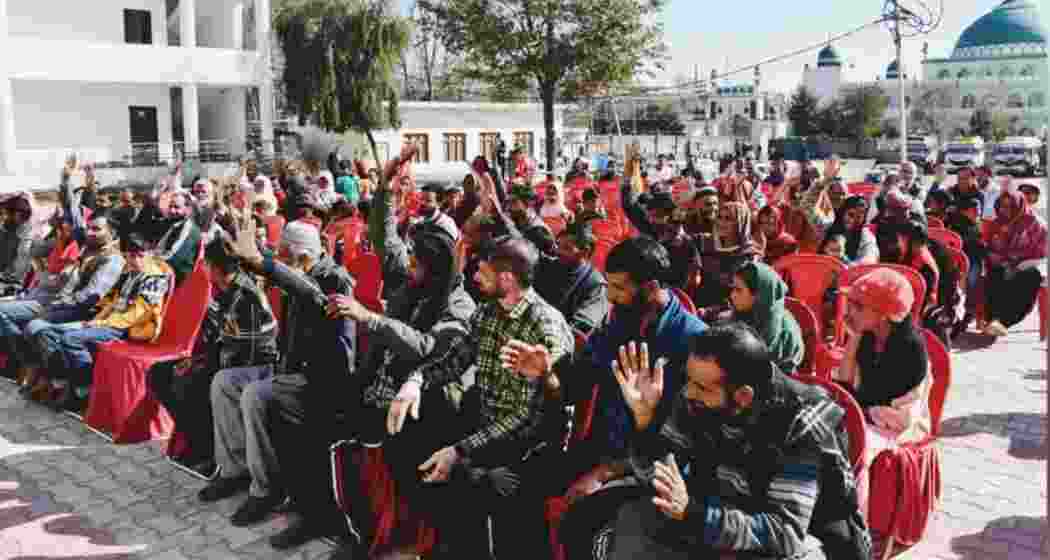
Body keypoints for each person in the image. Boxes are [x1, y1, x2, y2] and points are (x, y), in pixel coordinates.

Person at [577, 323, 870, 560]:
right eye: (689, 380)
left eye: (700, 387)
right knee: (618, 519)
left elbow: (784, 534)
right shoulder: (698, 397)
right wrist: (645, 420)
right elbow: (661, 479)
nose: (688, 392)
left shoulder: (801, 421)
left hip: (802, 537)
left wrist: (693, 514)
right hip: (718, 511)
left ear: (743, 396)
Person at [272, 223, 475, 552]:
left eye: (416, 263)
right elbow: (384, 236)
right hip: (376, 387)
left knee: (354, 441)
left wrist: (369, 318)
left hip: (420, 402)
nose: (409, 267)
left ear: (435, 268)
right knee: (309, 420)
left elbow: (426, 346)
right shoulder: (410, 290)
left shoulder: (459, 305)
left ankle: (364, 537)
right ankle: (318, 515)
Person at [375, 235, 571, 559]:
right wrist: (415, 381)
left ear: (506, 279)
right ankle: (426, 536)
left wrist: (459, 450)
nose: (474, 277)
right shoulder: (487, 312)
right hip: (483, 422)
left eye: (482, 271)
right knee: (409, 429)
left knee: (478, 479)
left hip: (527, 445)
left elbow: (525, 417)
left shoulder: (543, 326)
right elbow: (454, 361)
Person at [201, 219, 355, 528]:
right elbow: (277, 274)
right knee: (224, 383)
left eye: (284, 256)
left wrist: (267, 265)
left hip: (319, 378)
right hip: (286, 367)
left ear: (304, 258)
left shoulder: (336, 280)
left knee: (255, 395)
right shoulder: (299, 270)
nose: (279, 262)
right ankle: (234, 470)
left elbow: (311, 293)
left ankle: (265, 491)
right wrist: (245, 248)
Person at [147, 237, 279, 477]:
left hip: (251, 367)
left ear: (215, 267)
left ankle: (208, 450)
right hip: (224, 358)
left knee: (190, 384)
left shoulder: (247, 296)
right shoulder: (222, 291)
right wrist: (195, 360)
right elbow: (218, 338)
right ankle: (195, 439)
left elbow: (248, 352)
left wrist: (202, 365)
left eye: (206, 264)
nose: (204, 269)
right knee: (159, 373)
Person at [31, 233, 173, 412]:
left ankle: (82, 391)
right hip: (107, 320)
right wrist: (96, 318)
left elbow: (136, 314)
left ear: (146, 254)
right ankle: (60, 381)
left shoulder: (155, 278)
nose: (134, 260)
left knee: (71, 339)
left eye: (138, 255)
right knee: (47, 333)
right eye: (129, 256)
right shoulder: (128, 271)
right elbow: (110, 299)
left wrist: (100, 323)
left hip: (126, 328)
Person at [835, 269, 931, 525]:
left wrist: (862, 412)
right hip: (868, 416)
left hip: (898, 425)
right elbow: (844, 386)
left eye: (858, 306)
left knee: (858, 449)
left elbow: (901, 417)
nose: (849, 311)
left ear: (885, 313)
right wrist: (854, 339)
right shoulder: (867, 336)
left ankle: (856, 530)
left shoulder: (911, 350)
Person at [981, 189, 1048, 337]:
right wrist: (1000, 260)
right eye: (1002, 206)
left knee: (1028, 278)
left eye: (1009, 206)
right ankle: (993, 319)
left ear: (1018, 205)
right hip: (1002, 264)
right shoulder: (997, 223)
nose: (1004, 210)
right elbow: (990, 247)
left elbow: (1041, 253)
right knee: (995, 274)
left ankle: (1004, 321)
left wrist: (1017, 266)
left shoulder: (1035, 224)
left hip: (1028, 265)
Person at [534, 221, 609, 340]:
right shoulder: (550, 265)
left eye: (566, 248)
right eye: (558, 245)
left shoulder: (596, 285)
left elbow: (580, 329)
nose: (558, 251)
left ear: (585, 252)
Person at [622, 184, 701, 293]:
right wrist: (627, 182)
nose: (652, 220)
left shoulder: (686, 246)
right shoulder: (652, 228)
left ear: (674, 216)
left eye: (657, 216)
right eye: (650, 216)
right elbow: (630, 206)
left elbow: (693, 280)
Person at [729, 261, 805, 373]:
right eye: (733, 288)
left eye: (739, 290)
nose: (732, 295)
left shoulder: (785, 336)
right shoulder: (743, 316)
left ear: (760, 295)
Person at [693, 200, 759, 319]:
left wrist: (710, 311)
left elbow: (742, 295)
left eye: (728, 218)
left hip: (728, 312)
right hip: (697, 305)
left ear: (741, 223)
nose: (721, 222)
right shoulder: (704, 242)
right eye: (719, 217)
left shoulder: (748, 255)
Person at [155, 190, 203, 284]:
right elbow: (159, 248)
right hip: (163, 271)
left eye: (177, 207)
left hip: (175, 278)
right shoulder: (173, 223)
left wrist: (152, 259)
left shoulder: (189, 228)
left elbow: (174, 257)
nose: (172, 210)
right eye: (170, 206)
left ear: (188, 209)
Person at [0, 192, 35, 296]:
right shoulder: (6, 227)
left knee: (22, 251)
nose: (3, 217)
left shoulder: (25, 230)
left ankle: (13, 284)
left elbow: (23, 255)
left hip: (12, 280)